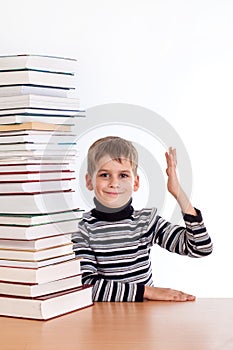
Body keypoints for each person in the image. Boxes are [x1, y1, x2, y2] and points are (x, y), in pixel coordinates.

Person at [72, 136, 212, 302]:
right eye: (104, 175)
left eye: (123, 175)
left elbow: (200, 248)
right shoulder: (83, 230)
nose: (114, 183)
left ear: (135, 182)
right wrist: (148, 292)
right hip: (104, 319)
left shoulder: (146, 222)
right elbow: (87, 286)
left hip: (143, 318)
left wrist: (178, 193)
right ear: (89, 181)